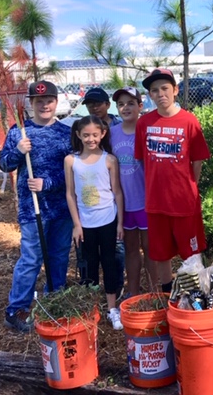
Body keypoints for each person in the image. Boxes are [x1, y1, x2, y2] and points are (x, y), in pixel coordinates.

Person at [0, 80, 73, 333]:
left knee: (59, 256)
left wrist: (49, 183)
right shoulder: (18, 132)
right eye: (39, 101)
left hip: (61, 208)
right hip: (32, 210)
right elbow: (5, 165)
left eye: (49, 101)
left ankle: (54, 303)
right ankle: (16, 310)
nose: (44, 105)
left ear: (56, 103)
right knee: (31, 259)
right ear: (31, 104)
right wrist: (18, 151)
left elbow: (75, 172)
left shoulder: (66, 134)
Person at [134, 68, 210, 292]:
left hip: (184, 202)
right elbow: (142, 160)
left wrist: (186, 186)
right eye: (154, 90)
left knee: (191, 252)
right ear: (150, 95)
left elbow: (197, 161)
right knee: (161, 253)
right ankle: (168, 294)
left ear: (175, 90)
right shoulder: (144, 123)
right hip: (156, 202)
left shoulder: (189, 121)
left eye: (165, 88)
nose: (160, 94)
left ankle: (197, 294)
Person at [64, 115, 124, 330]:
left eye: (95, 135)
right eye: (86, 135)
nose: (91, 139)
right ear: (79, 135)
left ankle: (112, 309)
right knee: (89, 266)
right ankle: (91, 309)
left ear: (103, 134)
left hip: (107, 219)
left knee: (109, 264)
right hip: (85, 224)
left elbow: (117, 192)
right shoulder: (71, 161)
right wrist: (76, 224)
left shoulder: (109, 160)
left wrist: (120, 223)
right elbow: (70, 194)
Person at [110, 86, 157, 296]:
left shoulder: (147, 131)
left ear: (140, 106)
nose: (125, 108)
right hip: (124, 203)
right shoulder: (111, 134)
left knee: (150, 249)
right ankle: (134, 294)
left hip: (147, 202)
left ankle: (154, 293)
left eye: (130, 103)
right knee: (131, 249)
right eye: (121, 104)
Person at [80, 86, 125, 297]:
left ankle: (115, 288)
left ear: (108, 105)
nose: (94, 108)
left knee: (115, 249)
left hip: (118, 189)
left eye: (98, 103)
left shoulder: (118, 126)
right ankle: (90, 293)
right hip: (93, 196)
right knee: (88, 253)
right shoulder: (85, 129)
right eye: (89, 104)